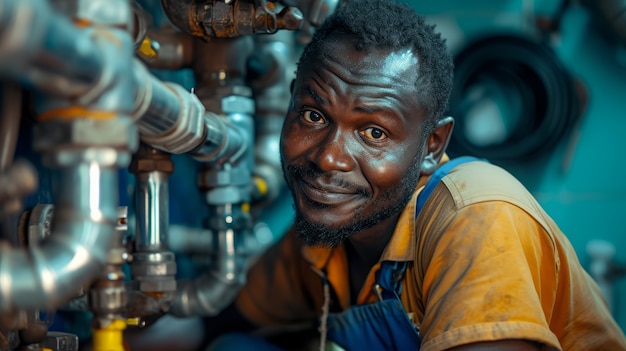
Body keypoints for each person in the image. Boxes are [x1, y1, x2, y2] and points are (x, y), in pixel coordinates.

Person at [202, 0, 626, 350]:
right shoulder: (321, 237)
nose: (329, 159)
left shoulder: (477, 215)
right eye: (313, 115)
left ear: (432, 147)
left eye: (373, 132)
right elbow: (217, 325)